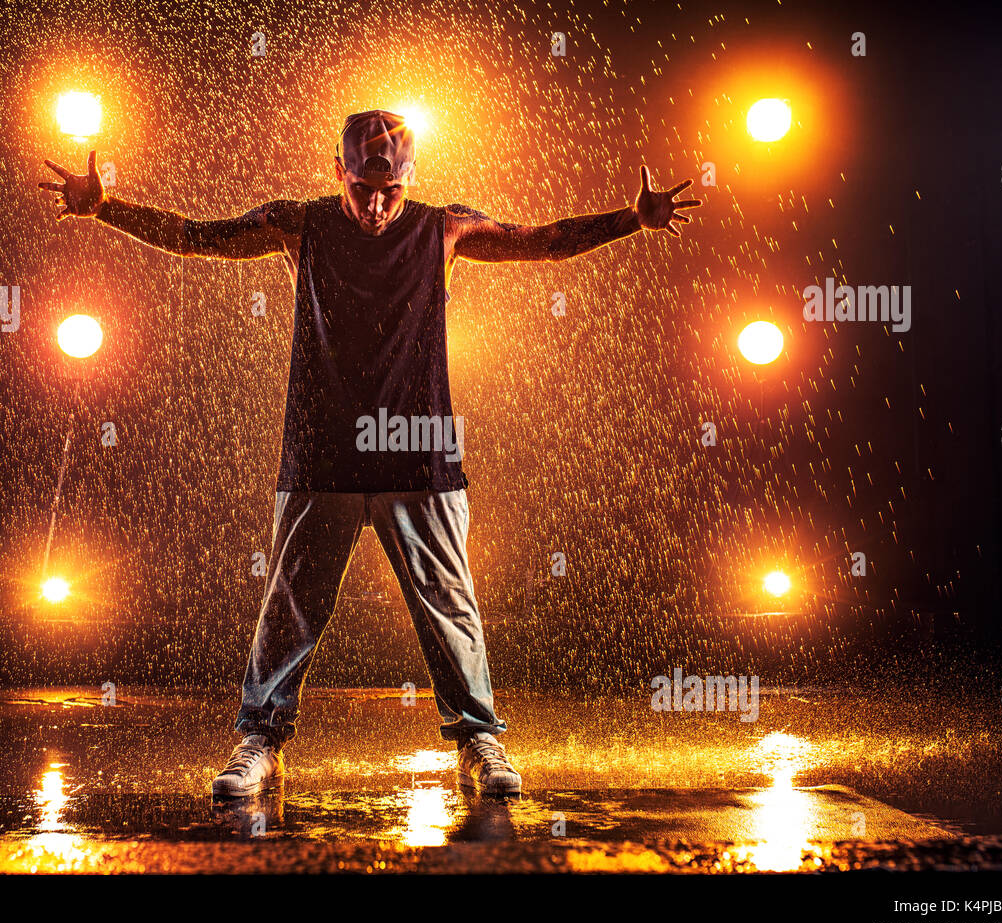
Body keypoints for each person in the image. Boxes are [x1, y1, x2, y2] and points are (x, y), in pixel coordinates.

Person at [39, 108, 700, 797]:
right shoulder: (300, 224)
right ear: (338, 172)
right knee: (290, 605)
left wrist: (631, 220)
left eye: (392, 191)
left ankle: (479, 740)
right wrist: (106, 209)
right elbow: (194, 237)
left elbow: (544, 242)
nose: (378, 206)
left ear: (410, 178)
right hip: (322, 448)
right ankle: (260, 741)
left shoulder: (445, 228)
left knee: (449, 605)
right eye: (362, 189)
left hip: (419, 450)